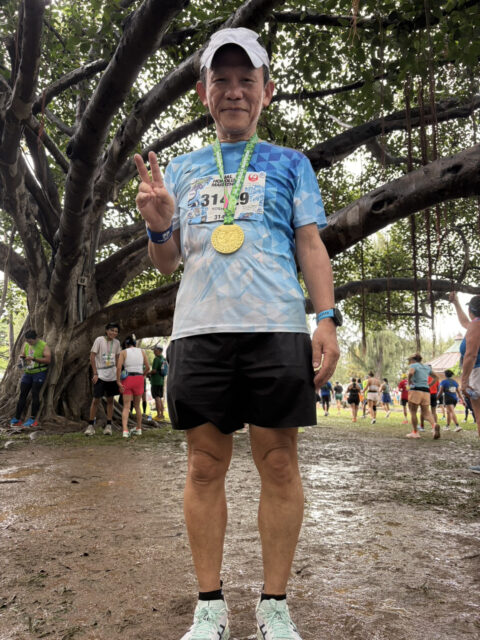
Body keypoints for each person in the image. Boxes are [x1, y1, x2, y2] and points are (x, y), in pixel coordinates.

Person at [134, 27, 340, 640]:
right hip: (199, 333)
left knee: (278, 462)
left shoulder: (292, 164)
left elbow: (310, 244)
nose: (233, 91)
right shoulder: (180, 169)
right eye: (220, 80)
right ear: (203, 93)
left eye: (246, 80)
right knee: (203, 466)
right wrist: (158, 226)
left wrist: (326, 319)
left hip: (276, 329)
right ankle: (210, 608)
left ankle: (274, 607)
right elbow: (166, 262)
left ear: (265, 91)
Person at [449, 292, 480, 473]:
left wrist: (464, 380)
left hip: (477, 373)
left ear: (472, 310)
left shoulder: (477, 324)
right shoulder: (474, 325)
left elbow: (470, 354)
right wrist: (456, 303)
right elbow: (464, 323)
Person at [85, 322, 121, 436]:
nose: (113, 333)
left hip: (112, 375)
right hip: (100, 374)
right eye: (112, 330)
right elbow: (92, 356)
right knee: (96, 400)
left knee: (110, 400)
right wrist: (95, 373)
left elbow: (117, 358)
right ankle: (90, 425)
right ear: (106, 330)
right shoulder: (99, 340)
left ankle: (109, 425)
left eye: (116, 331)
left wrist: (118, 375)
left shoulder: (117, 342)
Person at [10, 330, 51, 428]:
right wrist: (22, 357)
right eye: (27, 341)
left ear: (35, 338)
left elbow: (48, 360)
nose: (29, 343)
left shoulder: (43, 346)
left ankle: (32, 419)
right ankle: (17, 418)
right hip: (28, 373)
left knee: (35, 394)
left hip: (39, 373)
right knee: (22, 394)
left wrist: (34, 359)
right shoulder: (26, 344)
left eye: (30, 341)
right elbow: (23, 354)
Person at [117, 336, 150, 438]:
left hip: (128, 379)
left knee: (126, 406)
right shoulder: (142, 351)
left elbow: (119, 368)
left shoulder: (123, 352)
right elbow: (148, 367)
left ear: (126, 345)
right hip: (139, 379)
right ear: (135, 344)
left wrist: (118, 381)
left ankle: (125, 430)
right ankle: (139, 428)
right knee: (137, 406)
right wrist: (142, 375)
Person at [406, 354, 440, 439]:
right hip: (426, 391)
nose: (409, 363)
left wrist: (409, 381)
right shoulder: (426, 367)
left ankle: (415, 432)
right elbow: (436, 377)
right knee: (426, 412)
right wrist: (429, 385)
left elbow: (411, 373)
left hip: (416, 390)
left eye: (409, 361)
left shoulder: (414, 365)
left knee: (413, 412)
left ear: (413, 360)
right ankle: (434, 425)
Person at [150, 345, 167, 421]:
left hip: (155, 381)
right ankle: (162, 415)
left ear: (159, 350)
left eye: (155, 350)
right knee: (159, 398)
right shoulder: (163, 359)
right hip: (161, 381)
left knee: (157, 398)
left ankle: (158, 415)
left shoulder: (156, 359)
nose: (154, 351)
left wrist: (148, 373)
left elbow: (154, 371)